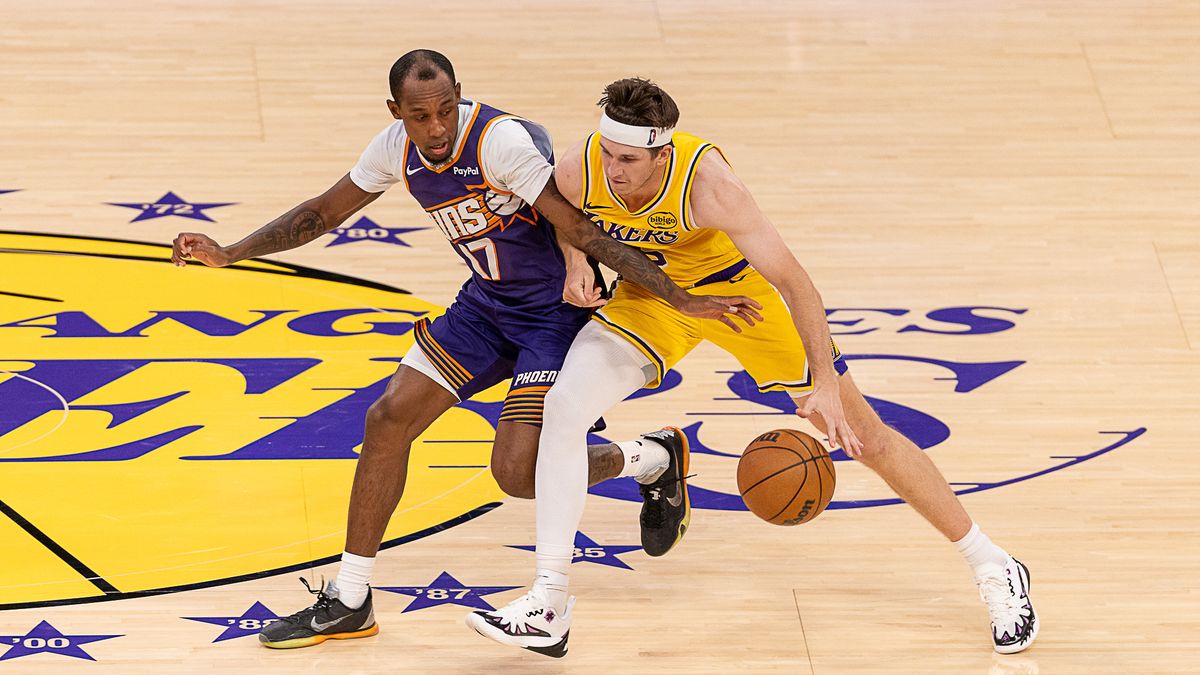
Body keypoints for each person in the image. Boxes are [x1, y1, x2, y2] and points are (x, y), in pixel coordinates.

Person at [170, 54, 760, 650]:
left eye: (446, 109)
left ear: (459, 96)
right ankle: (350, 597)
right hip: (484, 311)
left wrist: (679, 298)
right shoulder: (393, 148)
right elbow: (322, 213)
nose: (436, 127)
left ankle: (647, 458)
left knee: (518, 473)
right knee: (387, 419)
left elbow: (581, 230)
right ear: (396, 113)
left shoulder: (499, 143)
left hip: (551, 318)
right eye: (421, 116)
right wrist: (230, 252)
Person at [466, 77, 1038, 657]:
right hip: (656, 301)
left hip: (742, 302)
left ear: (661, 154)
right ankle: (550, 601)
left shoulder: (711, 186)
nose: (614, 169)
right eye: (609, 154)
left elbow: (797, 284)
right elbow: (573, 223)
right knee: (562, 408)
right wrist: (574, 262)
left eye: (629, 160)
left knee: (866, 439)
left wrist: (824, 384)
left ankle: (994, 564)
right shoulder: (578, 167)